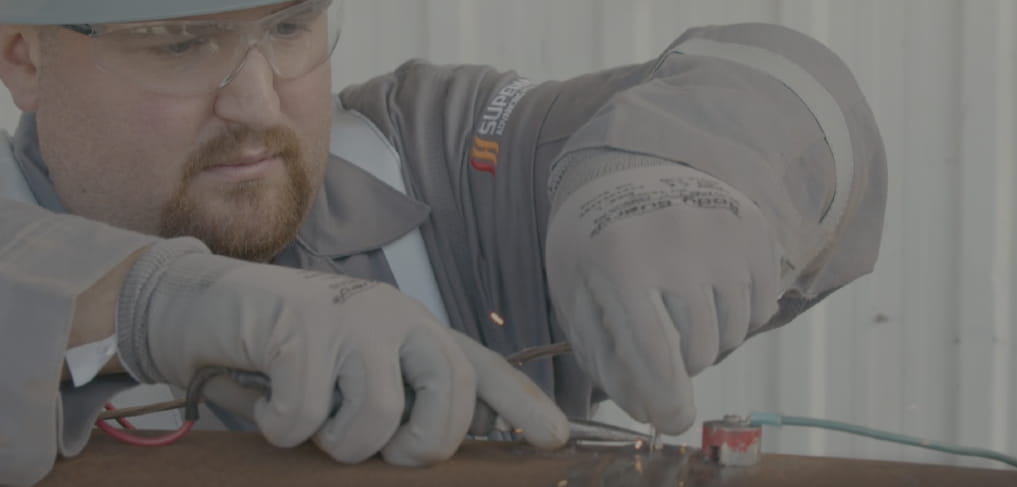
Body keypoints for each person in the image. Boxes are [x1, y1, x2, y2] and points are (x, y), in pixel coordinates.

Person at [0, 0, 887, 484]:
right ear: (25, 55)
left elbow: (778, 81)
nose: (259, 103)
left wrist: (676, 169)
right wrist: (140, 298)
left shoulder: (426, 160)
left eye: (287, 26)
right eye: (182, 42)